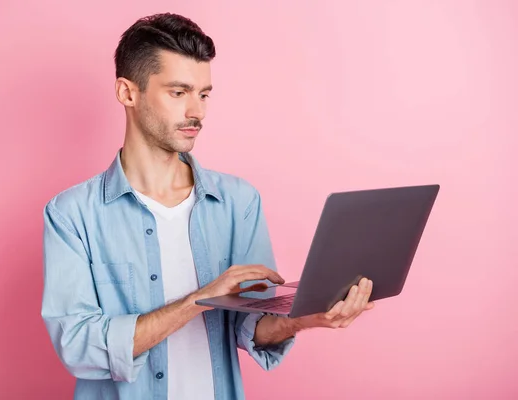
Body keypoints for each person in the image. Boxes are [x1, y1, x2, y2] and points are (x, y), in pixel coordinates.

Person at [41, 12, 374, 400]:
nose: (196, 112)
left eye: (204, 94)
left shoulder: (238, 202)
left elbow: (249, 325)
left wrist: (300, 319)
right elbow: (78, 344)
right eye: (178, 92)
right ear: (127, 92)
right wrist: (198, 300)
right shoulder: (72, 214)